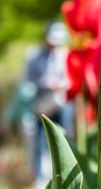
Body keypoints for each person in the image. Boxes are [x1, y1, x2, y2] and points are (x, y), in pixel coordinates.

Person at [22, 21, 69, 188]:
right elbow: (27, 80)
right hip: (42, 104)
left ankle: (63, 175)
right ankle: (43, 179)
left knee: (64, 137)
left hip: (61, 103)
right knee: (42, 141)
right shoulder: (33, 55)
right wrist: (45, 83)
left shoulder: (65, 54)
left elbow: (70, 79)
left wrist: (62, 84)